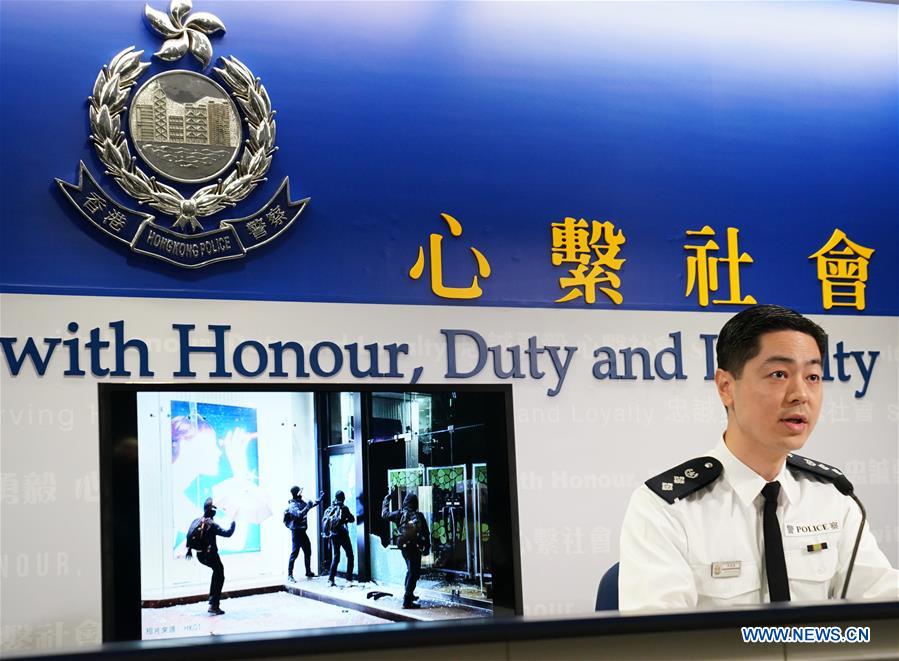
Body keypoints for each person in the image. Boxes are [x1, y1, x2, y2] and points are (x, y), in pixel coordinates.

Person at [618, 304, 899, 612]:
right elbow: (659, 644)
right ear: (726, 387)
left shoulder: (834, 498)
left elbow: (882, 604)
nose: (801, 394)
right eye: (779, 374)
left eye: (813, 376)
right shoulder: (666, 509)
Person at [382, 488, 431, 608]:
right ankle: (407, 600)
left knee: (410, 571)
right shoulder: (419, 516)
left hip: (404, 547)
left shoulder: (399, 514)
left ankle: (409, 594)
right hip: (415, 547)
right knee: (413, 572)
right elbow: (426, 532)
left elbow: (385, 515)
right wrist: (427, 547)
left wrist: (386, 500)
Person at [186, 497, 236, 615]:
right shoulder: (211, 524)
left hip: (200, 555)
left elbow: (189, 535)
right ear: (212, 510)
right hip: (210, 555)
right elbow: (228, 533)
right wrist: (234, 522)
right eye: (215, 509)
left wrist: (189, 550)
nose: (216, 511)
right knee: (219, 574)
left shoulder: (197, 521)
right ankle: (214, 605)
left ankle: (213, 603)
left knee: (217, 573)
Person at [286, 485, 323, 581]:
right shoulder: (292, 505)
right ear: (297, 494)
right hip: (296, 533)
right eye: (300, 492)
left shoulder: (300, 502)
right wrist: (307, 507)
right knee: (295, 553)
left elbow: (310, 505)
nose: (301, 494)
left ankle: (308, 571)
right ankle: (290, 575)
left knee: (308, 551)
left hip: (302, 532)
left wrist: (319, 499)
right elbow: (299, 514)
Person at [324, 490, 356, 586]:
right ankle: (348, 579)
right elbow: (352, 519)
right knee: (350, 556)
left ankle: (330, 579)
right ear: (343, 498)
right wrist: (345, 519)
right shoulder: (344, 508)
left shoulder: (331, 508)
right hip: (343, 535)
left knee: (336, 557)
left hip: (333, 535)